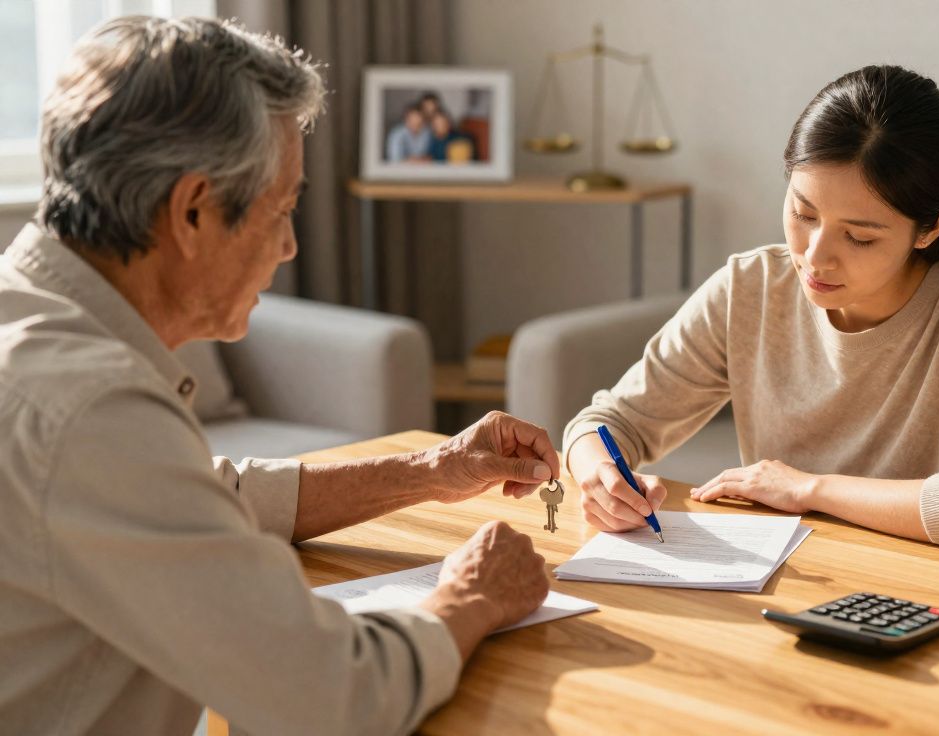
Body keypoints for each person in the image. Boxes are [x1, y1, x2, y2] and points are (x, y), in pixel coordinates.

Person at [0, 16, 558, 735]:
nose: (291, 245)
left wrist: (436, 468)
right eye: (284, 208)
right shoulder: (91, 409)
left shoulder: (32, 324)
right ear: (193, 210)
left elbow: (201, 494)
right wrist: (471, 599)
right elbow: (332, 695)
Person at [562, 65, 939, 555]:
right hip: (776, 580)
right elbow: (608, 423)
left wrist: (809, 489)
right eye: (803, 213)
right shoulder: (752, 288)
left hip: (909, 595)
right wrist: (599, 474)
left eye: (860, 236)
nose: (815, 255)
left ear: (931, 229)